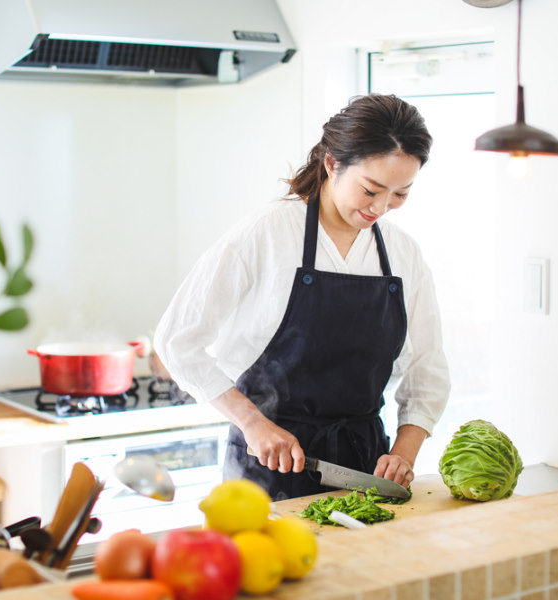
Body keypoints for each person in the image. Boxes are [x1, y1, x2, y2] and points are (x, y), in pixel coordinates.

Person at [153, 94, 450, 500]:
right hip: (269, 466)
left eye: (400, 194)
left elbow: (428, 369)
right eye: (370, 190)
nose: (381, 207)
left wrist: (404, 452)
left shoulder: (402, 253)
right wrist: (252, 423)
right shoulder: (269, 233)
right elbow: (176, 341)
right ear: (332, 164)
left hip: (365, 469)